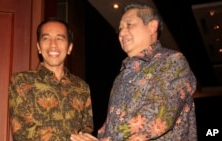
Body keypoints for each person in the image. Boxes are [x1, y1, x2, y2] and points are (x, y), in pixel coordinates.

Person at [70, 2, 197, 141]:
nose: (122, 33)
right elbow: (110, 125)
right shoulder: (121, 77)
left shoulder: (172, 61)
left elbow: (157, 117)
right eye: (120, 28)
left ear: (152, 27)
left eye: (129, 25)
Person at [8, 17, 94, 141]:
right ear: (38, 46)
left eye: (59, 38)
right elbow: (22, 132)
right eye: (46, 38)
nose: (53, 45)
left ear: (69, 47)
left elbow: (86, 130)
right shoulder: (21, 81)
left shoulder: (82, 87)